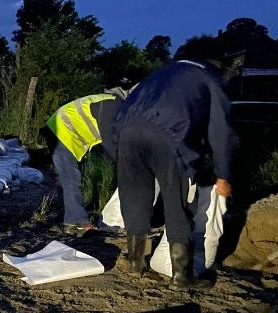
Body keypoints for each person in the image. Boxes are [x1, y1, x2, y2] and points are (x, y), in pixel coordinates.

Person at [110, 56, 237, 289]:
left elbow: (126, 103)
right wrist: (223, 174)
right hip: (170, 135)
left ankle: (136, 262)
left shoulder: (163, 72)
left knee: (135, 196)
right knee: (176, 201)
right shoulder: (210, 78)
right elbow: (221, 131)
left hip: (127, 131)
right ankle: (181, 277)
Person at [44, 90, 127, 234]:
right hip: (59, 131)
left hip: (69, 134)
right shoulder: (111, 106)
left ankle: (75, 217)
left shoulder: (116, 106)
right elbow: (110, 143)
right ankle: (75, 222)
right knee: (71, 178)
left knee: (73, 178)